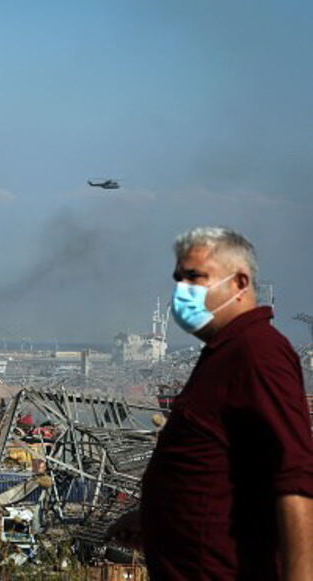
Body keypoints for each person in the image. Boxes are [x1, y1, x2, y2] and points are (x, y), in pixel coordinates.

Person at [110, 226, 313, 579]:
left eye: (195, 278)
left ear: (239, 283)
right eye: (179, 280)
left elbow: (295, 481)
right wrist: (158, 518)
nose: (183, 292)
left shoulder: (257, 353)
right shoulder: (224, 355)